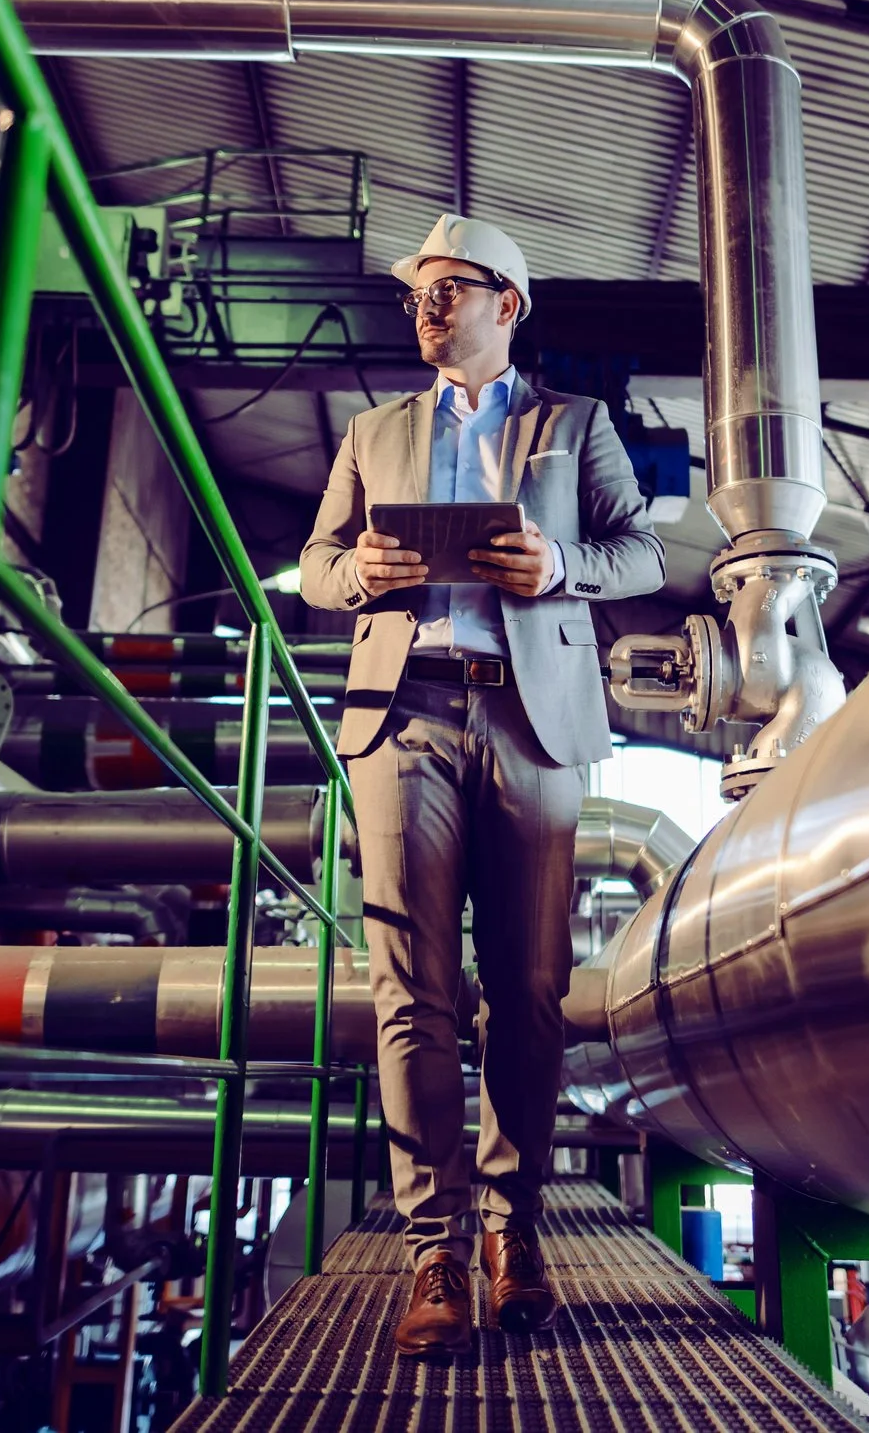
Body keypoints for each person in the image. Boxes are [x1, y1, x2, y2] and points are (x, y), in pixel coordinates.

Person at [300, 213, 666, 1357]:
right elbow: (312, 568)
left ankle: (515, 1229)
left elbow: (644, 552)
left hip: (530, 714)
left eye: (449, 289)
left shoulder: (574, 424)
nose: (425, 306)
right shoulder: (372, 431)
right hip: (402, 713)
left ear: (506, 303)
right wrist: (356, 569)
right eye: (418, 291)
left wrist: (561, 564)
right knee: (412, 988)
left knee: (531, 984)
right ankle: (434, 1254)